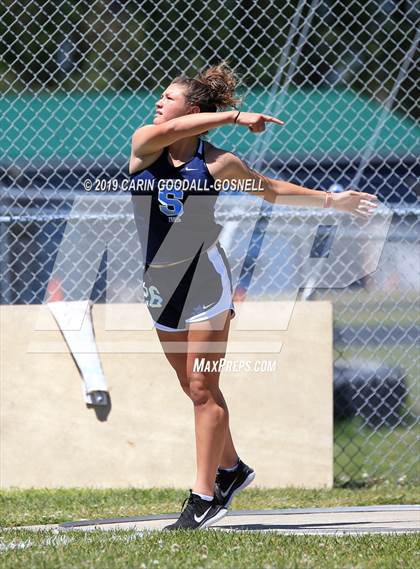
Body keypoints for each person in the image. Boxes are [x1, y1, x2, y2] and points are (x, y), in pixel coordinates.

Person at [129, 61, 379, 530]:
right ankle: (233, 468)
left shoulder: (220, 163)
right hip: (160, 285)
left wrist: (332, 199)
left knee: (203, 389)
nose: (158, 104)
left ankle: (204, 497)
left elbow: (270, 192)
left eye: (168, 97)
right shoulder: (146, 144)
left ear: (195, 107)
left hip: (205, 284)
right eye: (161, 97)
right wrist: (233, 116)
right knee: (191, 387)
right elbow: (178, 128)